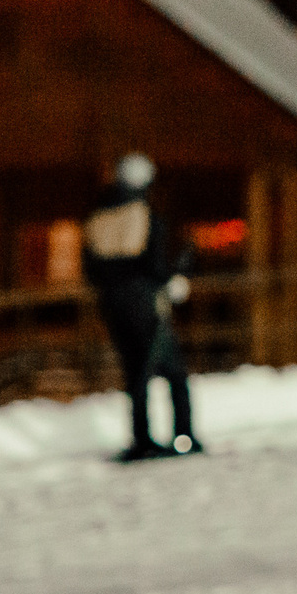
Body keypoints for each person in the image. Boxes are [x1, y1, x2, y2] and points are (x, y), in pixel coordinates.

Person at [82, 152, 196, 462]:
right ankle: (184, 435)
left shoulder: (97, 215)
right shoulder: (145, 214)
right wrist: (169, 281)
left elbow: (91, 267)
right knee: (172, 370)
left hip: (111, 304)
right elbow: (153, 261)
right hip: (143, 302)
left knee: (135, 371)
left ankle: (142, 438)